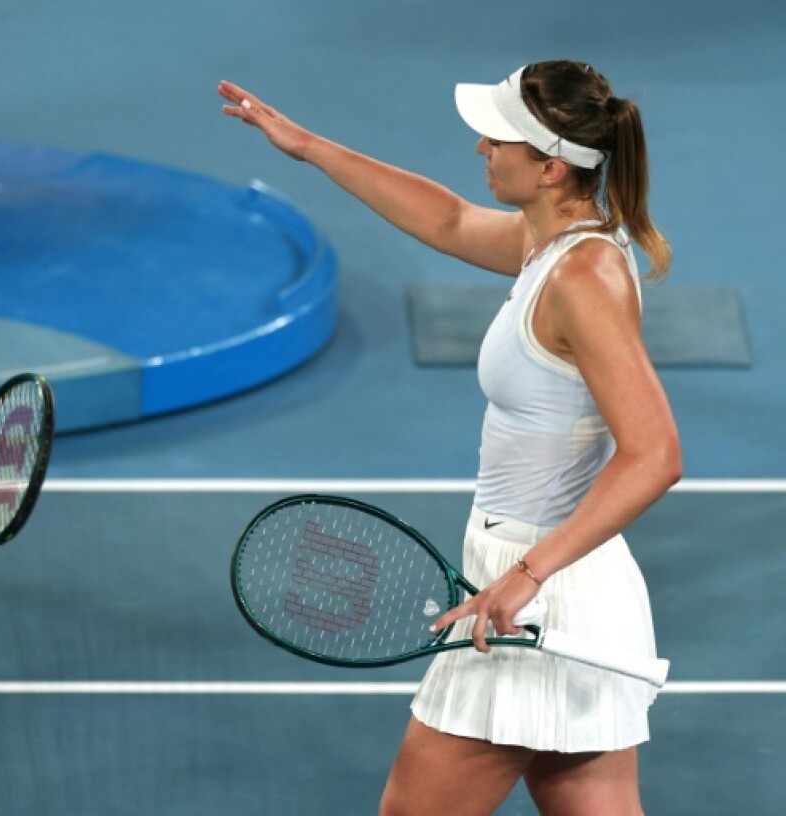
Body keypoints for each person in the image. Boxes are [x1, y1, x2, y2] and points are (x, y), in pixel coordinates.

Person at [221, 61, 681, 815]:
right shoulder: (556, 245)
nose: (480, 147)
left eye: (498, 138)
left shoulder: (582, 278)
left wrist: (527, 574)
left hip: (534, 596)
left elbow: (656, 455)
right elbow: (446, 221)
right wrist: (307, 146)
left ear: (550, 167)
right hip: (554, 585)